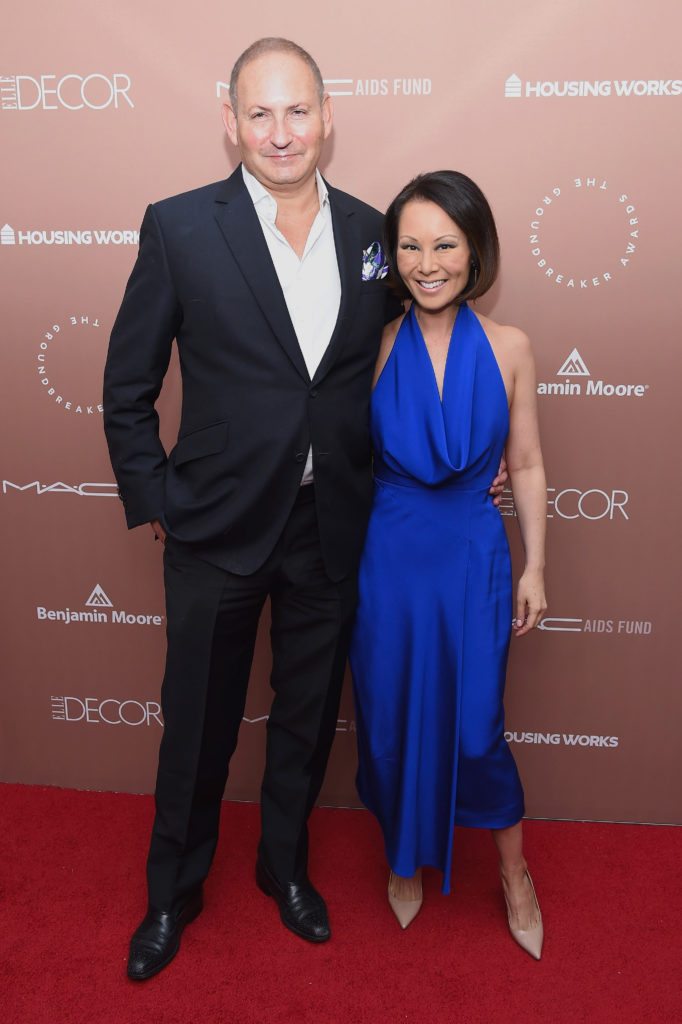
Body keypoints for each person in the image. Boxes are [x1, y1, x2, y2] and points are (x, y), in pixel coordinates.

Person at [103, 40, 507, 981]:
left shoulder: (376, 234)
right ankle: (172, 893)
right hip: (213, 527)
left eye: (296, 113)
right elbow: (126, 385)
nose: (279, 133)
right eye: (259, 114)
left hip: (334, 526)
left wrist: (469, 463)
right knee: (196, 723)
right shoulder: (178, 228)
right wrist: (155, 494)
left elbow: (420, 352)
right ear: (231, 121)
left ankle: (284, 869)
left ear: (327, 119)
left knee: (307, 718)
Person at [349, 170, 547, 959]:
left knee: (474, 731)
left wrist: (534, 567)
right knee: (391, 718)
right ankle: (406, 862)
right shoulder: (375, 342)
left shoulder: (511, 347)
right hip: (389, 558)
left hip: (472, 555)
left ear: (474, 250)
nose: (427, 262)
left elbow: (526, 463)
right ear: (390, 256)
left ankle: (514, 874)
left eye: (445, 244)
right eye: (409, 245)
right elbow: (337, 451)